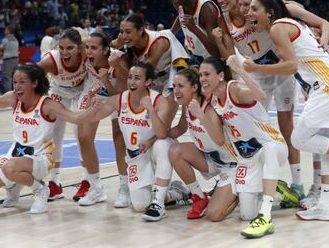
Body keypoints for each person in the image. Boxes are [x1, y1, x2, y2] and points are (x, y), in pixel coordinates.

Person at [245, 0, 329, 221]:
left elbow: (291, 66)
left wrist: (255, 68)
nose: (248, 13)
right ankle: (325, 205)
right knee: (325, 146)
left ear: (269, 12)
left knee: (298, 139)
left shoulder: (278, 27)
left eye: (254, 8)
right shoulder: (288, 25)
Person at [0, 64, 91, 214]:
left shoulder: (48, 105)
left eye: (22, 82)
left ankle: (40, 190)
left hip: (41, 159)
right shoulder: (14, 98)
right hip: (16, 156)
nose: (17, 86)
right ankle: (14, 186)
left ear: (35, 83)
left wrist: (93, 105)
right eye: (15, 82)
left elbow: (76, 118)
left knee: (10, 167)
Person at [201, 56, 291, 238]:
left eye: (207, 74)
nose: (202, 78)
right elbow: (219, 140)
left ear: (220, 76)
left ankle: (265, 216)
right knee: (246, 214)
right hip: (248, 158)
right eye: (200, 74)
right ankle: (277, 190)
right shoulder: (213, 102)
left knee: (270, 149)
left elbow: (261, 95)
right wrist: (202, 116)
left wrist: (241, 70)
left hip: (272, 145)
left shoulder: (234, 89)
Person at [86, 62, 189, 221]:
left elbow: (161, 133)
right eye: (130, 78)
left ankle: (159, 204)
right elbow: (92, 117)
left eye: (137, 78)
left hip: (156, 152)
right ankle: (178, 192)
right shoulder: (119, 100)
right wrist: (91, 101)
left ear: (148, 82)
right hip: (136, 157)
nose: (131, 82)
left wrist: (151, 110)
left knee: (162, 144)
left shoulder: (159, 101)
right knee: (140, 205)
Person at [168, 68, 238, 221]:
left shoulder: (209, 108)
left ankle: (243, 191)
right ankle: (199, 197)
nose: (176, 90)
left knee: (214, 215)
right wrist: (155, 138)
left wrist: (201, 115)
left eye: (180, 86)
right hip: (211, 159)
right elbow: (180, 129)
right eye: (174, 86)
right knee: (174, 150)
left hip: (232, 165)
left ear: (194, 87)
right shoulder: (187, 104)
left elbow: (220, 139)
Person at [72, 31, 130, 207]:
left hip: (117, 93)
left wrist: (105, 79)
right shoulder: (84, 55)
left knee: (118, 138)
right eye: (87, 47)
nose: (89, 51)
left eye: (94, 48)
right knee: (83, 137)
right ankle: (96, 189)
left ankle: (124, 188)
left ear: (106, 50)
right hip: (95, 90)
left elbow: (119, 93)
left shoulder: (119, 59)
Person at [38, 27, 89, 201]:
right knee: (53, 136)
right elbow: (34, 80)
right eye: (62, 48)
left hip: (82, 91)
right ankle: (54, 182)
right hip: (59, 90)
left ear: (80, 48)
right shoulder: (50, 60)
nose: (65, 52)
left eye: (70, 48)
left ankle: (87, 180)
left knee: (81, 135)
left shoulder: (88, 53)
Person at [114, 13, 189, 121]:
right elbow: (110, 47)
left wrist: (118, 66)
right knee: (148, 121)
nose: (124, 36)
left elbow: (144, 73)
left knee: (164, 120)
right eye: (121, 32)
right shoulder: (124, 38)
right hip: (153, 77)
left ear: (140, 30)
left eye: (128, 32)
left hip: (171, 75)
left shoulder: (158, 42)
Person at [169, 0, 221, 64]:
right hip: (195, 58)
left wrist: (194, 29)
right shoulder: (181, 6)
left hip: (213, 61)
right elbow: (175, 28)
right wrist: (165, 35)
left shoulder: (206, 8)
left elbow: (217, 52)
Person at [0, 26, 19, 92]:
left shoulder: (5, 40)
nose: (4, 31)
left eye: (5, 30)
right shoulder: (16, 39)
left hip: (8, 60)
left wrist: (2, 51)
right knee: (15, 77)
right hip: (16, 59)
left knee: (7, 78)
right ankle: (16, 92)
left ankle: (8, 94)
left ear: (8, 31)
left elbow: (1, 48)